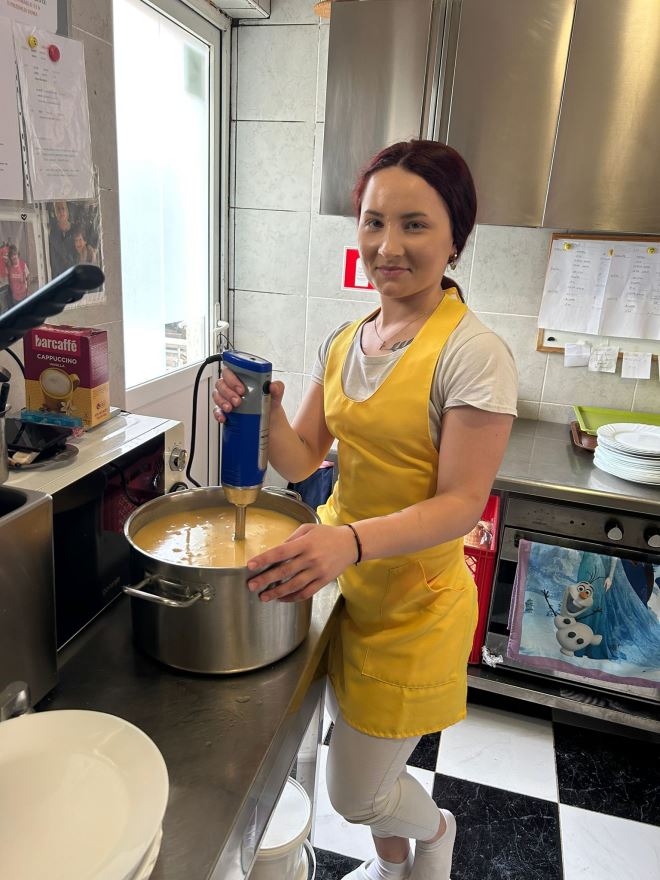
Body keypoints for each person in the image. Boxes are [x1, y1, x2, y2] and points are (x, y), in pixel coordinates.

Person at [213, 140, 518, 880]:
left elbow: (460, 505)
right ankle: (390, 868)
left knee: (357, 792)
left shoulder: (474, 355)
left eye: (414, 224)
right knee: (356, 758)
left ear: (455, 237)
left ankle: (437, 833)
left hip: (412, 604)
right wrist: (264, 416)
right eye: (374, 221)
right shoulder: (348, 339)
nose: (388, 246)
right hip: (339, 588)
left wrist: (346, 541)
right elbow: (302, 461)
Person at [49, 200, 77, 276]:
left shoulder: (75, 229)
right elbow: (59, 254)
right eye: (58, 209)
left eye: (63, 208)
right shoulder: (53, 232)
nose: (61, 212)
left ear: (67, 211)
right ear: (55, 213)